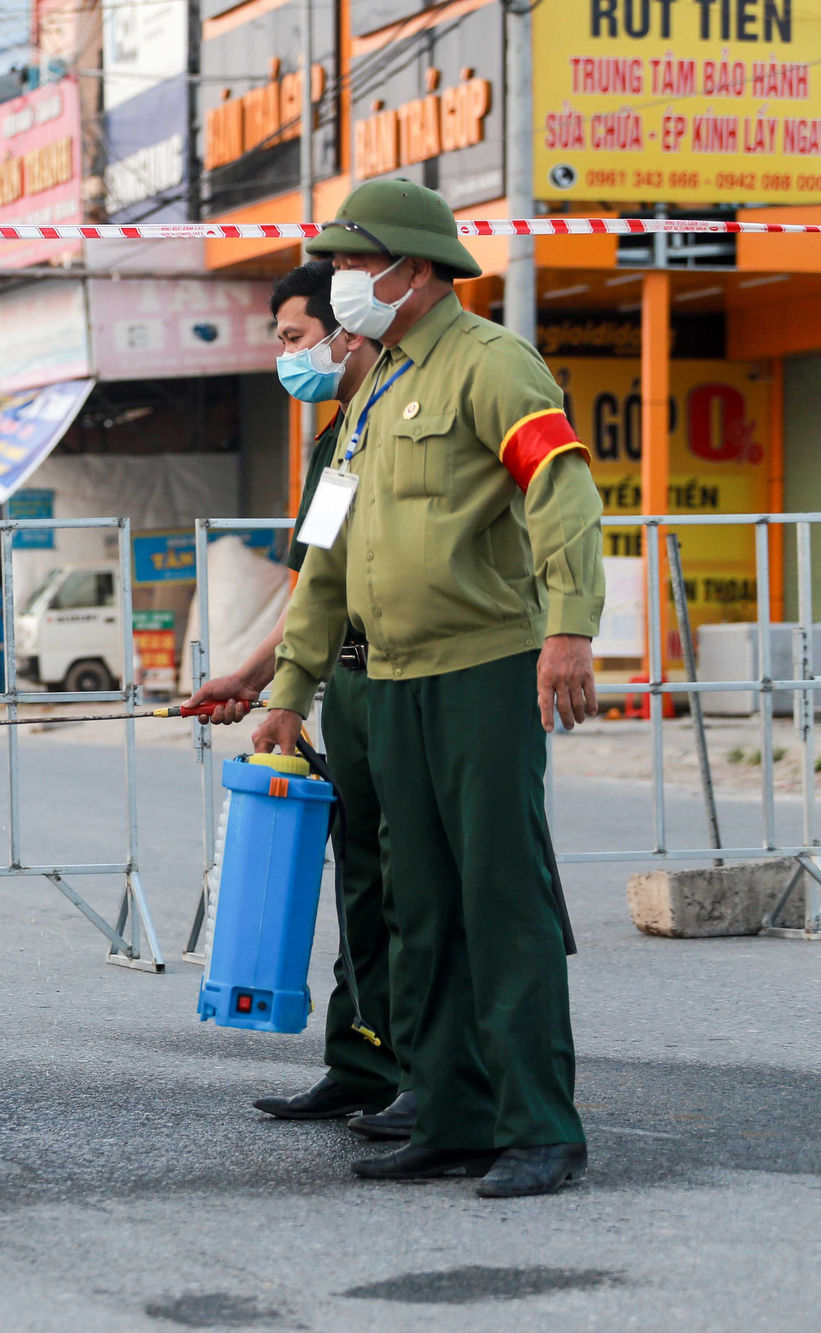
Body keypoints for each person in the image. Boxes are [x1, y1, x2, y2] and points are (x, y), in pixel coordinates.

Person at [251, 179, 603, 1198]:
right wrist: (289, 685)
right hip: (389, 678)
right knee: (421, 910)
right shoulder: (371, 388)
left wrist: (569, 627)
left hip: (480, 672)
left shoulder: (491, 362)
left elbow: (561, 488)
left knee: (501, 901)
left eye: (354, 264)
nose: (340, 280)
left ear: (413, 269)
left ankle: (540, 1128)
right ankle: (451, 1117)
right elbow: (326, 555)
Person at [187, 260, 417, 1140]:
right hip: (349, 680)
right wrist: (260, 678)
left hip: (412, 678)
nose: (286, 356)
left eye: (294, 337)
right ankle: (360, 1063)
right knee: (360, 882)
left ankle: (427, 1075)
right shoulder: (336, 439)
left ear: (346, 329)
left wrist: (268, 679)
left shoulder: (400, 416)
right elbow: (313, 585)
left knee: (410, 885)